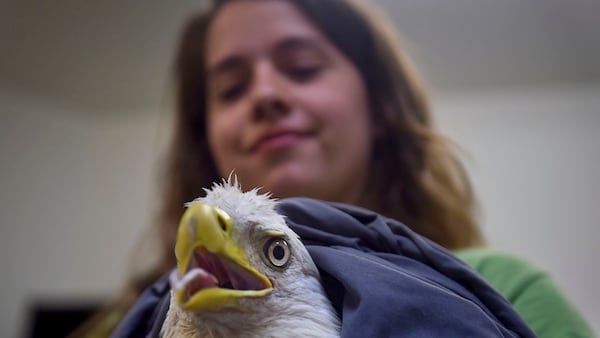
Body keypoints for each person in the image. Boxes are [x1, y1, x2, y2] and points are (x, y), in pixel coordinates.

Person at [72, 0, 594, 336]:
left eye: (301, 67)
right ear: (206, 134)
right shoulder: (125, 322)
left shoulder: (504, 291)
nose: (265, 95)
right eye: (231, 89)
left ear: (382, 108)